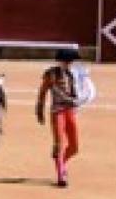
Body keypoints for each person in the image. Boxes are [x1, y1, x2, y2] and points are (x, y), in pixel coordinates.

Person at [36, 49, 88, 188]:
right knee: (59, 144)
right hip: (57, 112)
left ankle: (61, 162)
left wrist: (77, 101)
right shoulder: (50, 74)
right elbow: (42, 93)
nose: (69, 64)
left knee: (74, 147)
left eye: (70, 62)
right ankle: (61, 175)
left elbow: (76, 92)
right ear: (61, 61)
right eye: (67, 61)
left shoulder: (72, 74)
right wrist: (39, 111)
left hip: (70, 111)